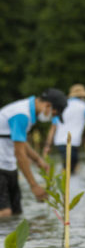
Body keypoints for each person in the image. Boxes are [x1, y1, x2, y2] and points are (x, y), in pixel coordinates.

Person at [0, 88, 67, 217]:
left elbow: (20, 142)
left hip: (8, 164)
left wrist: (38, 160)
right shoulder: (21, 114)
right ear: (47, 105)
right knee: (5, 212)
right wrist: (34, 185)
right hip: (1, 165)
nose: (51, 117)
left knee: (16, 212)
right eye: (53, 114)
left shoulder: (28, 114)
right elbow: (20, 154)